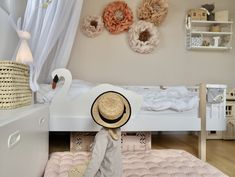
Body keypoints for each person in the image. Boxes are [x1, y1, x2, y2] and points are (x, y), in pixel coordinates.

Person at [69, 91, 131, 177]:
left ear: (99, 114)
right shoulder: (117, 130)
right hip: (117, 173)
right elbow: (110, 147)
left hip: (105, 174)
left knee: (73, 171)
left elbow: (96, 161)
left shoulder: (102, 136)